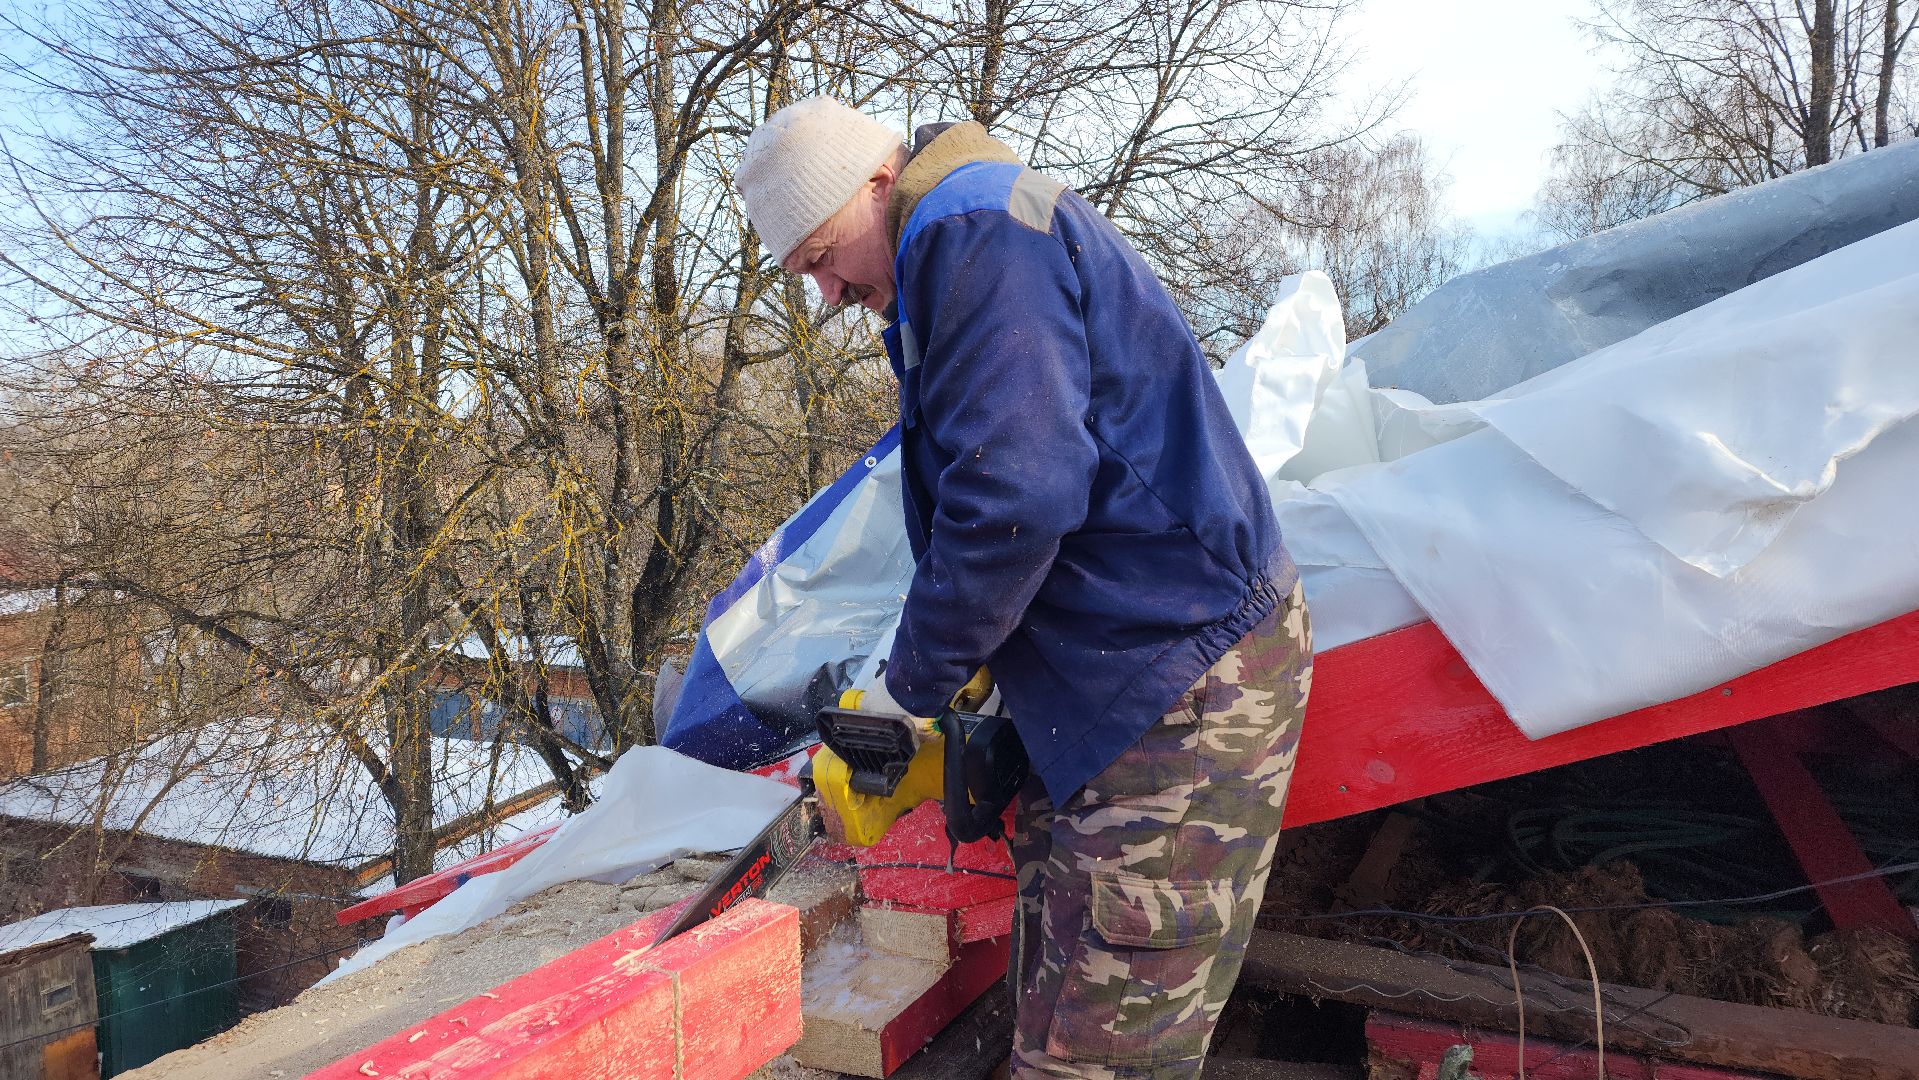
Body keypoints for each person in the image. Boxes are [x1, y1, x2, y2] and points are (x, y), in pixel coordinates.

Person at [736, 97, 1312, 1079]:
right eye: (805, 274)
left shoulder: (971, 228)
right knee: (1046, 1024)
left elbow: (1013, 494)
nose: (827, 292)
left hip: (1174, 681)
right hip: (1113, 672)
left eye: (823, 255)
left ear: (878, 185)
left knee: (1098, 1056)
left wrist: (907, 688)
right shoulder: (968, 232)